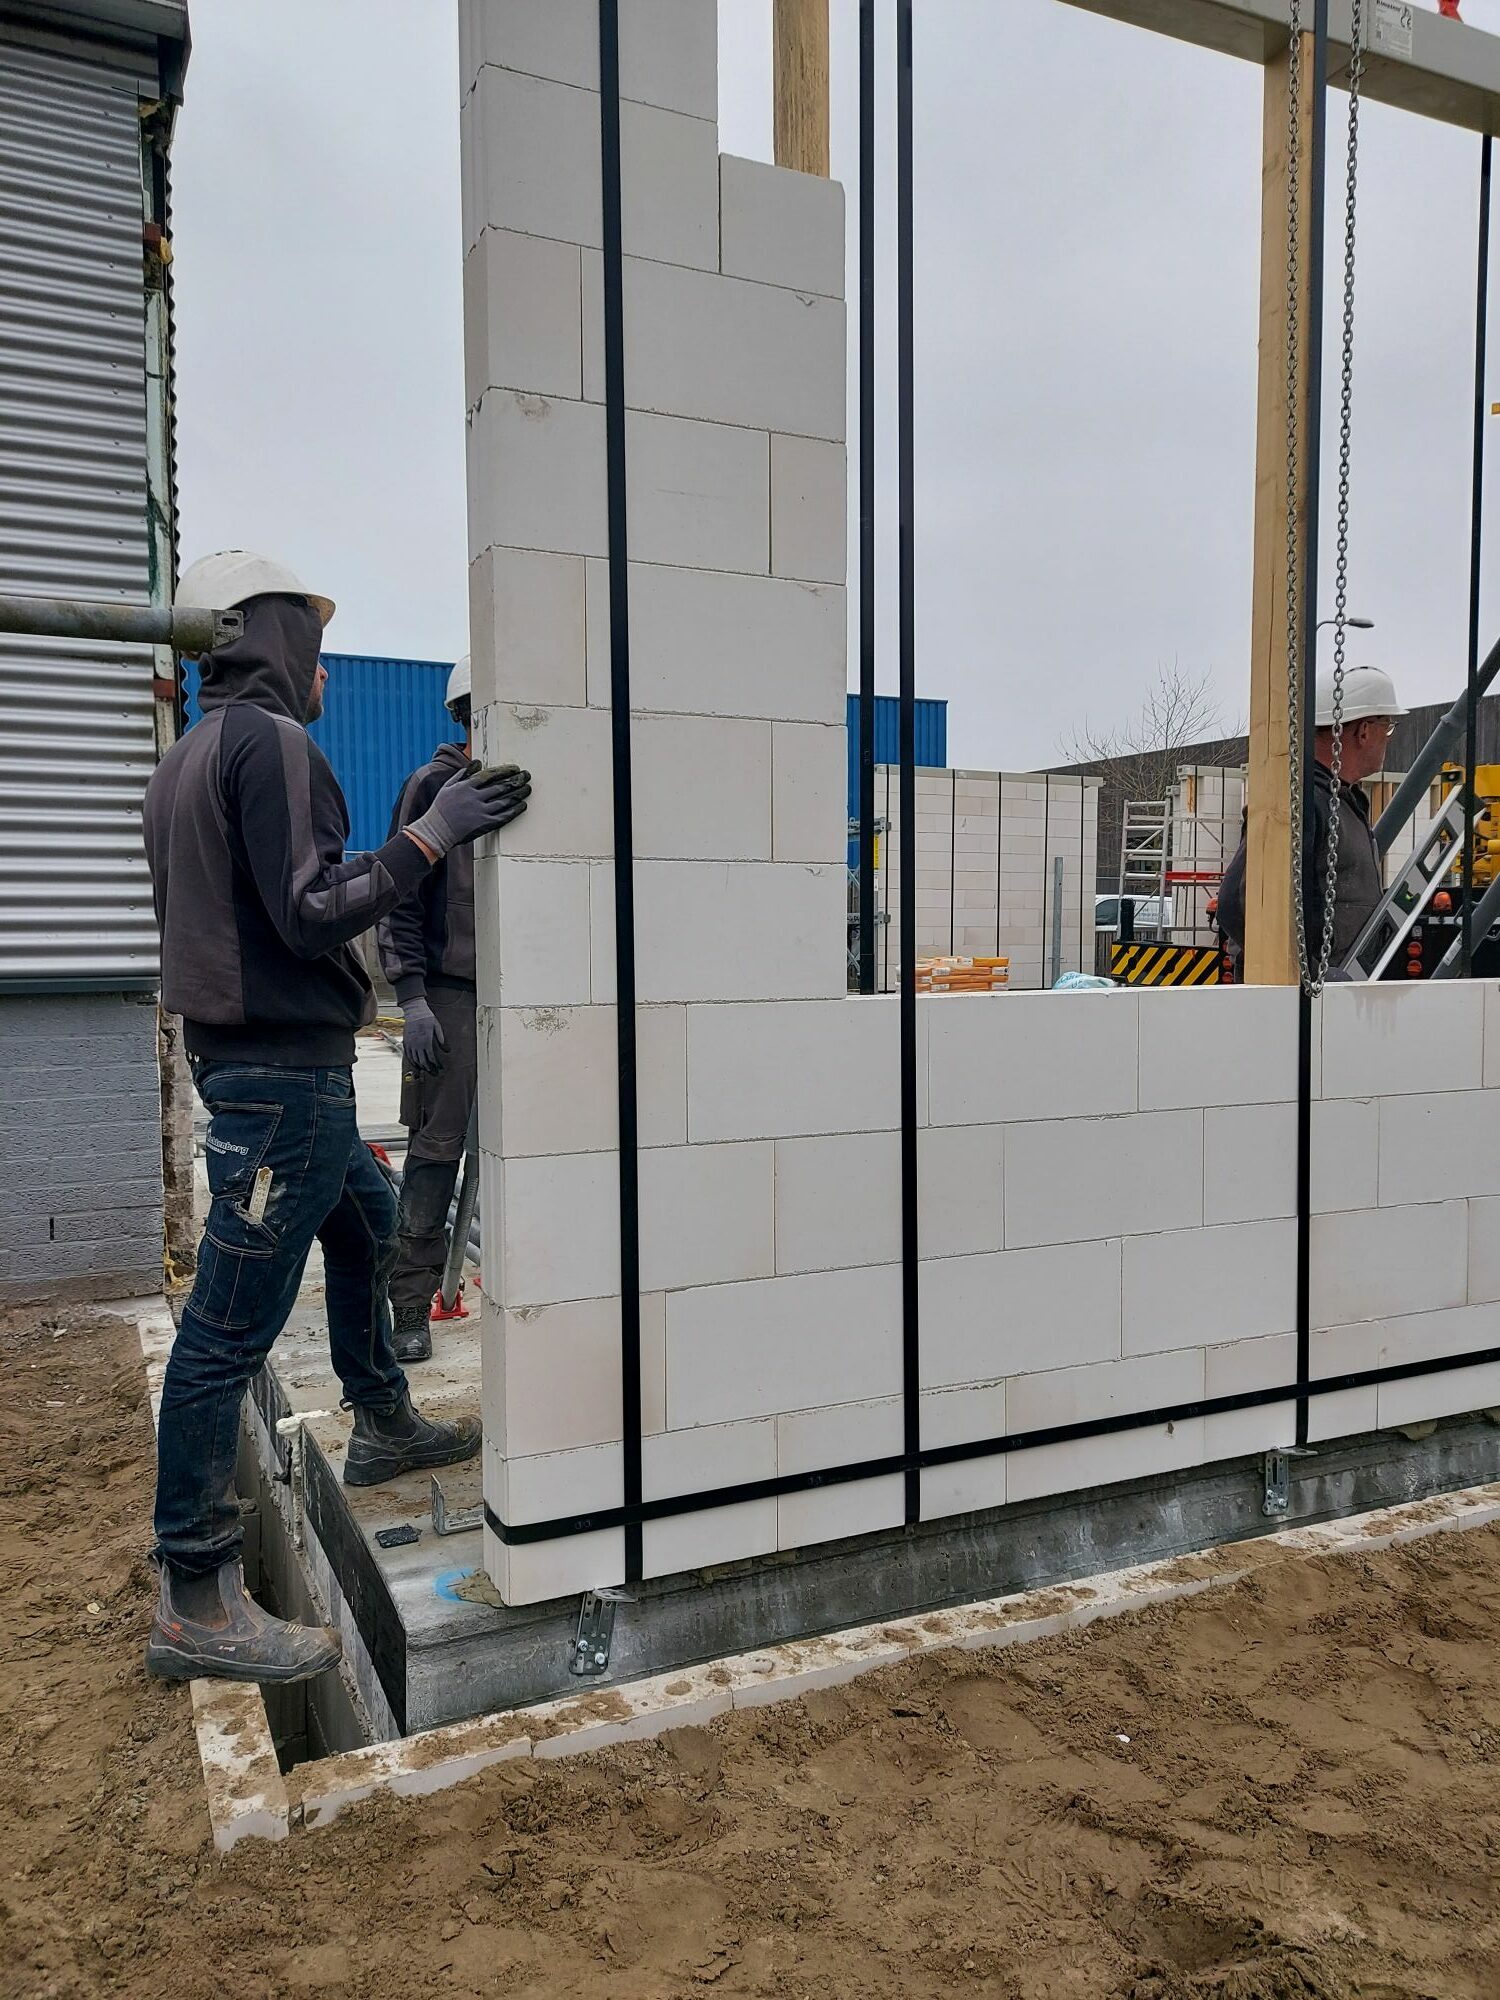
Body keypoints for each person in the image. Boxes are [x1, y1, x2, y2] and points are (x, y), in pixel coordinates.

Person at [140, 551, 530, 1685]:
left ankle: (383, 1416)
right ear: (273, 638)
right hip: (282, 1086)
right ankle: (197, 1592)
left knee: (365, 1226)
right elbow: (312, 915)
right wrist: (430, 836)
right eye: (312, 644)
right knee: (225, 1331)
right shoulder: (271, 745)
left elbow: (258, 909)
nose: (323, 670)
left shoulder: (186, 756)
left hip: (258, 1073)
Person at [377, 655, 479, 1362]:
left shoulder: (529, 785)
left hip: (524, 994)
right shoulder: (433, 786)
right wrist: (411, 999)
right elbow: (398, 897)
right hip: (449, 992)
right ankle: (410, 1302)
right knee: (437, 1150)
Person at [1218, 664, 1404, 970]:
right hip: (1302, 995)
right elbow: (1234, 905)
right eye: (1388, 726)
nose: (1389, 737)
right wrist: (1304, 975)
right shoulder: (1301, 803)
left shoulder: (1341, 802)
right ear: (1364, 731)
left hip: (1337, 990)